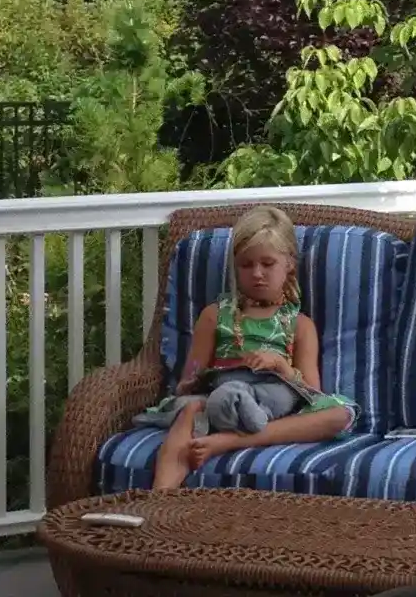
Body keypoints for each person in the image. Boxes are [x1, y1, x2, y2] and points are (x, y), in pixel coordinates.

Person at [147, 206, 352, 492]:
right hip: (218, 399)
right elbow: (186, 381)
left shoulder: (299, 325)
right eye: (246, 265)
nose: (257, 274)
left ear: (289, 263)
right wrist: (194, 381)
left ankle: (230, 441)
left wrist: (281, 365)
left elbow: (313, 393)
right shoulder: (214, 315)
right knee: (190, 409)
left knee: (339, 415)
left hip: (273, 410)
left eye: (267, 264)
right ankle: (160, 498)